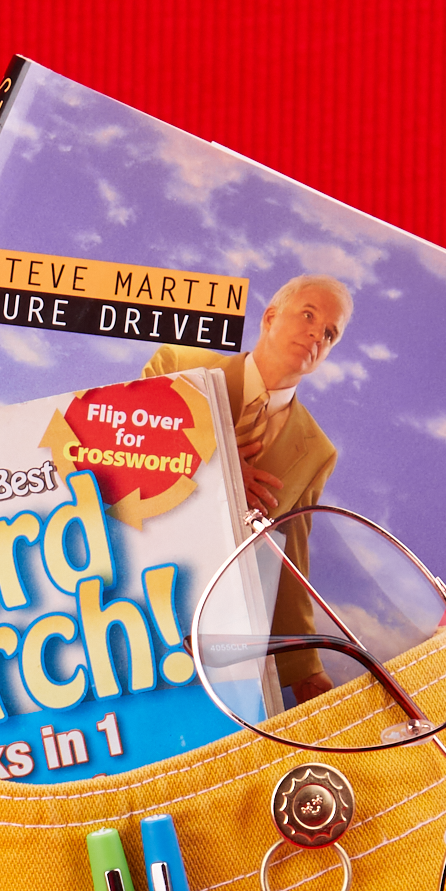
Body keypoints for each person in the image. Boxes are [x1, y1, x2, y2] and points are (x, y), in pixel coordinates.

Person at [142, 274, 353, 702]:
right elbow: (110, 443)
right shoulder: (177, 363)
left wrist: (305, 666)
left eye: (329, 333)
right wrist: (211, 455)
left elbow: (288, 555)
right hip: (123, 576)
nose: (317, 332)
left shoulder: (317, 452)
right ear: (270, 317)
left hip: (205, 621)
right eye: (309, 315)